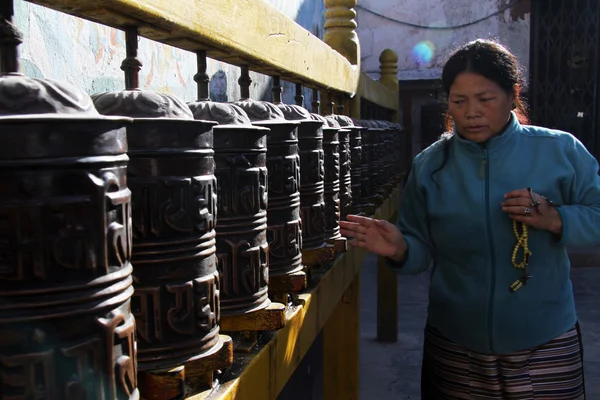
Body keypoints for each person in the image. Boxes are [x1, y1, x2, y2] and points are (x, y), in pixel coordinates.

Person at [340, 39, 600, 399]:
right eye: (458, 101)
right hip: (457, 345)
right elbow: (420, 250)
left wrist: (555, 218)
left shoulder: (560, 150)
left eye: (485, 99)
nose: (471, 113)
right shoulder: (431, 165)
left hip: (546, 341)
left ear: (513, 95)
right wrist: (400, 248)